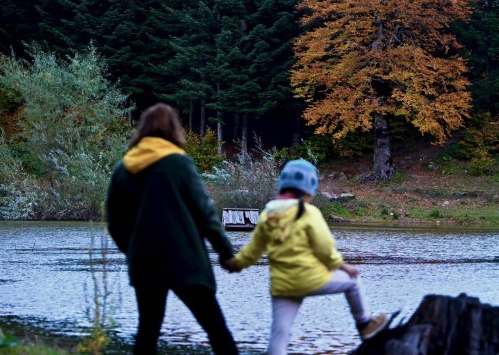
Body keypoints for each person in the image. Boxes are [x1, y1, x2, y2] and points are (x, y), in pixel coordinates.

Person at [106, 103, 239, 355]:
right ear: (173, 129)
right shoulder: (179, 164)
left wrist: (133, 250)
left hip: (145, 261)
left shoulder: (124, 168)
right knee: (216, 329)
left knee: (147, 331)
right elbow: (204, 212)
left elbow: (114, 222)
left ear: (142, 129)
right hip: (185, 260)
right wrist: (225, 252)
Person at [223, 159, 388, 354]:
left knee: (279, 336)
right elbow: (324, 248)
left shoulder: (269, 213)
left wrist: (236, 263)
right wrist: (343, 266)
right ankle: (365, 324)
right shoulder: (310, 212)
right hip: (310, 279)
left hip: (283, 286)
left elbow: (254, 249)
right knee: (353, 280)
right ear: (309, 188)